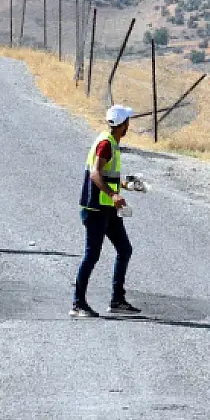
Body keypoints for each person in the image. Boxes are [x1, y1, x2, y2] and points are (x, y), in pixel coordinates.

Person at [72, 105, 140, 318]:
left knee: (124, 249)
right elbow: (95, 174)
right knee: (92, 255)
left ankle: (117, 300)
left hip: (107, 209)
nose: (129, 124)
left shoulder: (110, 141)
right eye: (128, 121)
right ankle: (78, 304)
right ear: (123, 125)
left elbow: (107, 175)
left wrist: (127, 185)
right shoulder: (106, 145)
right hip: (96, 209)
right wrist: (113, 195)